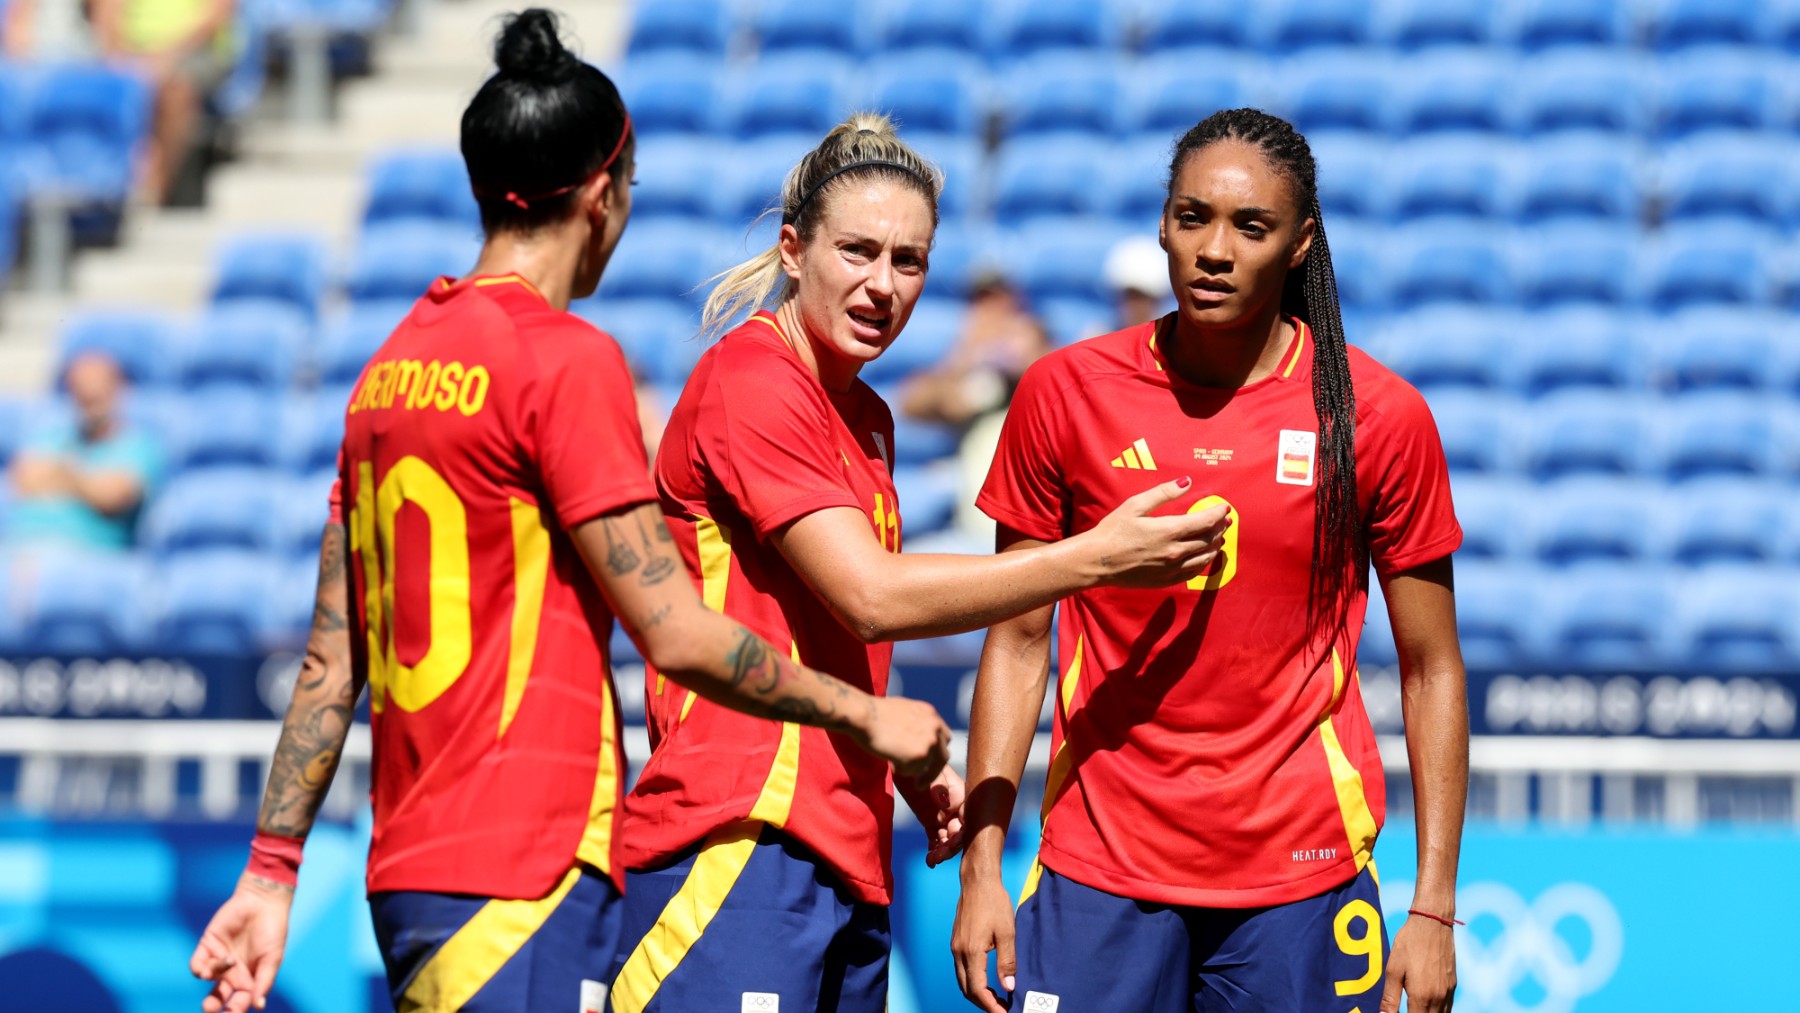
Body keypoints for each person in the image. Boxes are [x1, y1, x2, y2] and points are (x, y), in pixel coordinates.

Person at [185, 15, 951, 1013]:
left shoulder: (385, 375)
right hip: (534, 860)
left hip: (410, 863)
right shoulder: (566, 359)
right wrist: (868, 714)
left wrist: (271, 867)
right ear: (605, 191)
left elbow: (335, 657)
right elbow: (675, 631)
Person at [608, 112, 1232, 1013]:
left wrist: (888, 752)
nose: (882, 286)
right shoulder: (753, 379)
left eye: (909, 262)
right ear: (793, 249)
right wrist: (1092, 559)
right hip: (737, 841)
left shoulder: (867, 418)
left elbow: (811, 622)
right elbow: (868, 596)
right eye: (857, 251)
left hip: (842, 850)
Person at [952, 108, 1468, 1013]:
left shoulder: (1377, 417)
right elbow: (1019, 640)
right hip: (1097, 868)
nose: (1214, 250)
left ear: (1302, 242)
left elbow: (1431, 668)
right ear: (1162, 223)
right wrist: (983, 862)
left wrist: (1433, 908)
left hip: (1303, 880)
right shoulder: (1064, 393)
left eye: (1251, 226)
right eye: (1193, 218)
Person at [6, 350, 162, 551]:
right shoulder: (50, 436)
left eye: (97, 392)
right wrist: (86, 483)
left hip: (85, 558)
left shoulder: (140, 445)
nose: (87, 394)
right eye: (79, 389)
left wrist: (58, 475)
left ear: (119, 388)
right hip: (18, 550)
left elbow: (112, 496)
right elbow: (23, 478)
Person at [89, 0, 236, 203]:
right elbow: (107, 11)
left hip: (196, 50)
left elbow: (216, 14)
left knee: (175, 91)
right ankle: (119, 187)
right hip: (134, 53)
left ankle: (155, 192)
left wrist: (164, 56)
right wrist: (119, 57)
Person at [897, 269, 1049, 430]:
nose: (988, 307)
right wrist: (968, 357)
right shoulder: (968, 346)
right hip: (977, 441)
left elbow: (1056, 383)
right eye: (978, 300)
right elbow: (908, 405)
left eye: (996, 298)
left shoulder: (1030, 333)